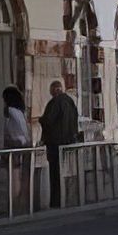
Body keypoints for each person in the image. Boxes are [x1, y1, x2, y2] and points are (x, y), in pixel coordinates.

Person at [39, 80, 79, 208]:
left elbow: (48, 121)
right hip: (69, 141)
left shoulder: (55, 102)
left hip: (55, 143)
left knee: (55, 173)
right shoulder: (70, 101)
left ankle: (56, 201)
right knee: (68, 172)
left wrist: (41, 120)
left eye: (51, 90)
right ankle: (68, 199)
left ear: (55, 90)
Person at [2, 86, 31, 211]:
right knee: (19, 173)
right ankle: (18, 201)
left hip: (15, 144)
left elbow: (19, 128)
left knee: (14, 173)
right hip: (21, 143)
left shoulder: (11, 110)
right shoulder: (20, 111)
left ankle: (14, 202)